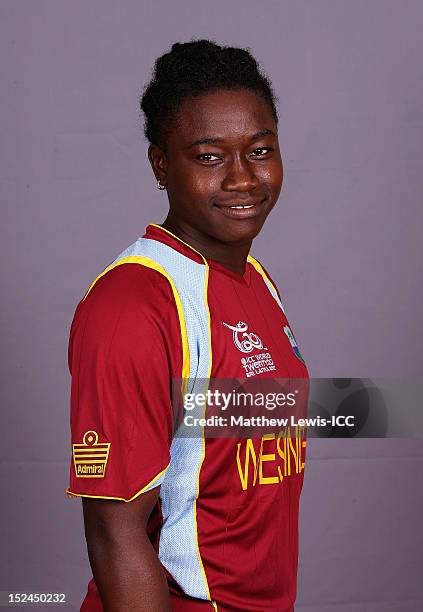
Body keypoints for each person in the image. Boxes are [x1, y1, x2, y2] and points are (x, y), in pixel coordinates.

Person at [67, 40, 309, 612]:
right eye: (208, 157)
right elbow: (113, 527)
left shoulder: (252, 277)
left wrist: (386, 410)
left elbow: (229, 421)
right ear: (160, 164)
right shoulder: (132, 304)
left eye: (260, 149)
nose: (243, 178)